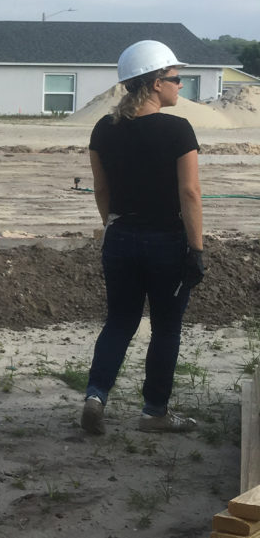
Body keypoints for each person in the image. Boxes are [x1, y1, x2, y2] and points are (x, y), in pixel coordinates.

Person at [80, 39, 205, 436]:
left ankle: (95, 397)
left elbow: (102, 189)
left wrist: (112, 226)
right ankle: (154, 414)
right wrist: (197, 249)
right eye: (175, 78)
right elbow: (190, 194)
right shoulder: (177, 129)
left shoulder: (104, 128)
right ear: (155, 83)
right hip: (166, 242)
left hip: (120, 238)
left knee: (119, 321)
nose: (180, 85)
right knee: (166, 328)